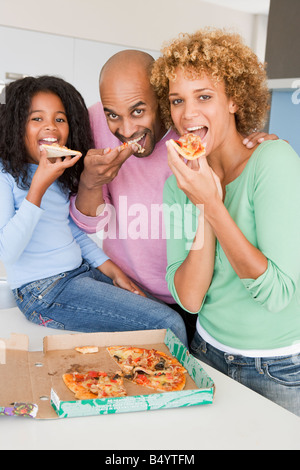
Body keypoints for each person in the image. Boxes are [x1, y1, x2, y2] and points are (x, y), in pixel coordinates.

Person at [69, 49, 278, 346]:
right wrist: (90, 182)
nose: (126, 129)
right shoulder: (95, 123)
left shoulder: (196, 135)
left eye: (138, 111)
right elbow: (89, 225)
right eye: (113, 114)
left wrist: (260, 145)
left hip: (196, 297)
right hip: (126, 292)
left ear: (164, 102)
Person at [151, 29, 300, 416]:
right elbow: (190, 298)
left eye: (204, 96)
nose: (188, 114)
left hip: (278, 371)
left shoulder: (273, 162)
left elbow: (278, 294)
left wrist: (212, 204)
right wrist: (202, 204)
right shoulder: (177, 185)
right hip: (205, 355)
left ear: (234, 99)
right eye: (177, 100)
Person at [0, 75, 188, 347]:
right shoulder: (6, 174)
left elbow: (71, 232)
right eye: (36, 119)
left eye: (60, 119)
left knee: (157, 307)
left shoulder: (57, 170)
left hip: (79, 272)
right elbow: (7, 252)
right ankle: (177, 389)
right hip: (43, 292)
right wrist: (38, 186)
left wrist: (112, 271)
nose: (50, 127)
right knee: (168, 324)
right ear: (16, 125)